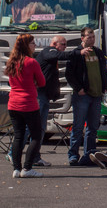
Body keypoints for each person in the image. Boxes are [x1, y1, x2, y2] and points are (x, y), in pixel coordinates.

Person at [31, 35, 84, 167]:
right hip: (39, 95)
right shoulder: (47, 51)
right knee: (33, 127)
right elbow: (59, 56)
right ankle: (15, 152)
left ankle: (35, 156)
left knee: (40, 128)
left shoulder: (52, 54)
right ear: (54, 44)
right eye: (63, 44)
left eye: (66, 45)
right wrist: (78, 52)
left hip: (45, 96)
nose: (65, 47)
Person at [65, 27, 107, 166]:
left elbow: (103, 70)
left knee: (93, 127)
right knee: (78, 127)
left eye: (93, 37)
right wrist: (78, 89)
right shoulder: (76, 53)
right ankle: (73, 155)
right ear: (82, 38)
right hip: (83, 95)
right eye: (88, 37)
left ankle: (90, 154)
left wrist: (105, 86)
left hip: (96, 95)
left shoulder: (98, 52)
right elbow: (69, 74)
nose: (91, 39)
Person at [5, 34, 46, 178]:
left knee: (18, 136)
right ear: (26, 46)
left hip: (13, 103)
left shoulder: (11, 61)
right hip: (28, 103)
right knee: (36, 135)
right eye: (32, 43)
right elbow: (42, 82)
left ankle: (16, 168)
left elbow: (11, 82)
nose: (35, 45)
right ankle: (27, 168)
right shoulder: (32, 62)